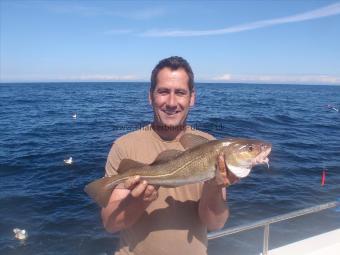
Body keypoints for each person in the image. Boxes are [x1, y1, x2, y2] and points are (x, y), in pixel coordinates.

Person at [101, 56, 237, 255]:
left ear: (192, 97)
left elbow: (215, 223)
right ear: (150, 96)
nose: (172, 102)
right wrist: (139, 201)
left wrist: (214, 186)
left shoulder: (211, 146)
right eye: (163, 91)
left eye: (180, 92)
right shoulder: (124, 146)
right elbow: (110, 224)